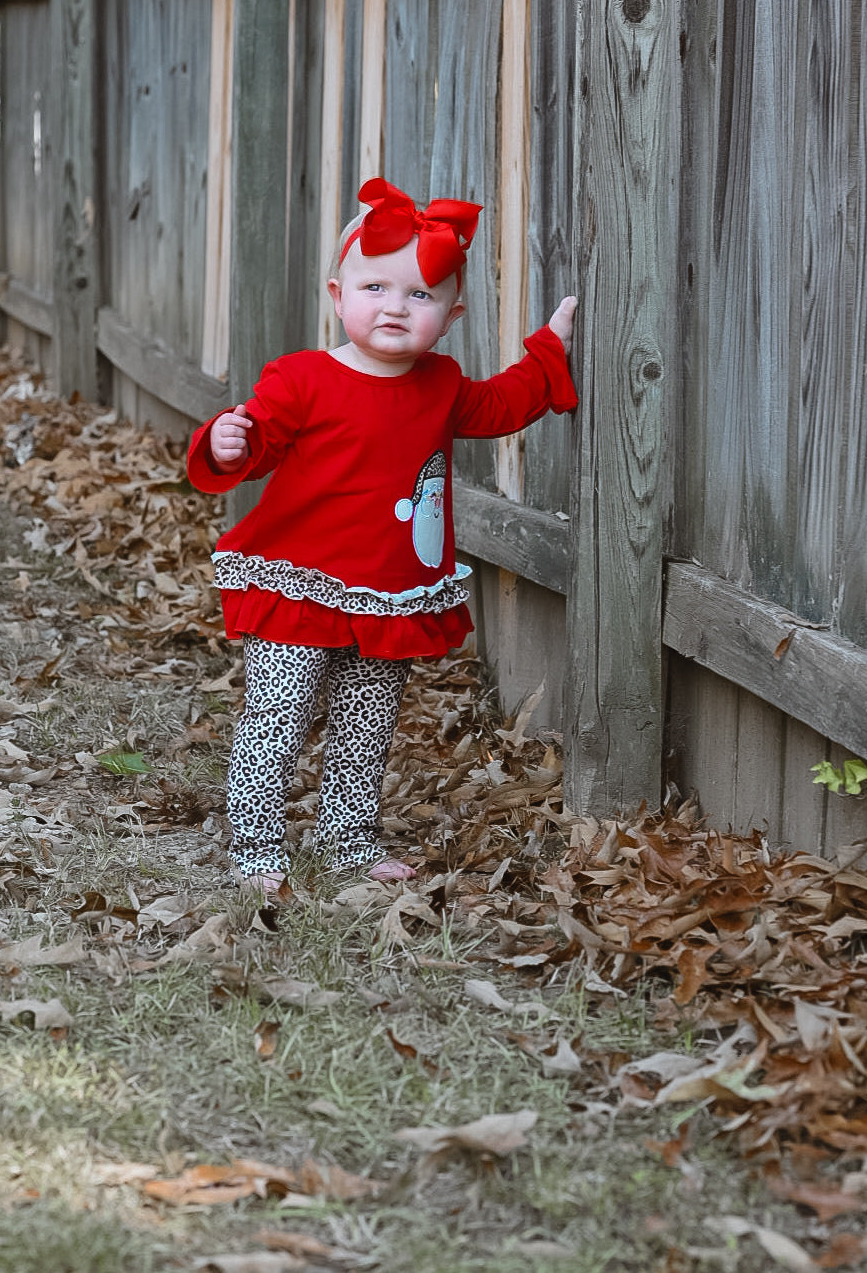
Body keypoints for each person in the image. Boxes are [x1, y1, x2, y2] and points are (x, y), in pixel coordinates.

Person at [187, 178, 578, 893]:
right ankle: (256, 844)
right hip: (300, 583)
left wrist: (549, 349)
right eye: (375, 287)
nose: (395, 306)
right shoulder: (303, 378)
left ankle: (348, 836)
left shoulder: (441, 384)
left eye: (420, 295)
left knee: (368, 725)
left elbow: (502, 405)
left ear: (451, 314)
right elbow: (262, 443)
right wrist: (227, 443)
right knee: (280, 713)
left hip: (390, 591)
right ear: (339, 294)